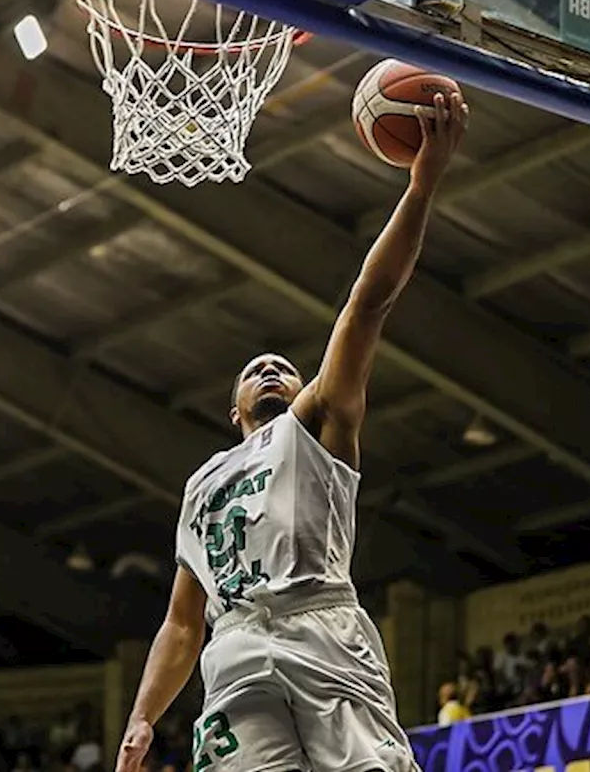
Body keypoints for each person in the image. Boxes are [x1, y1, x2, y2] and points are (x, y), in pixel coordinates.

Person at [113, 92, 470, 772]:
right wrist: (142, 715)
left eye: (285, 365)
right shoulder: (202, 484)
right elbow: (183, 622)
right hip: (237, 646)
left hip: (322, 625)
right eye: (257, 368)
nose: (273, 369)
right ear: (234, 406)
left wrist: (423, 186)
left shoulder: (316, 423)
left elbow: (368, 302)